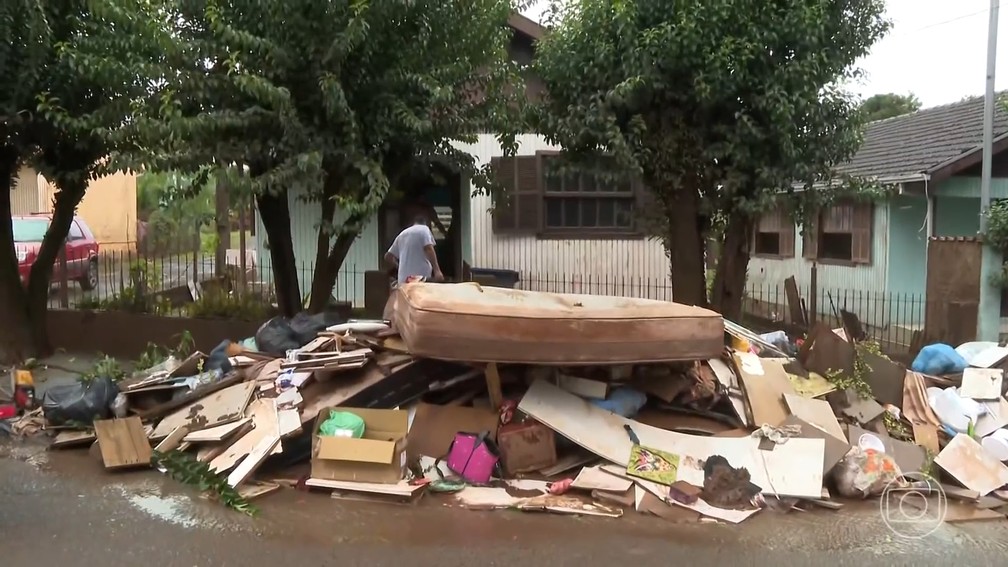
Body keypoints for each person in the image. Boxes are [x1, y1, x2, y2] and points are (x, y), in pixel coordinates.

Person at [384, 214, 444, 285]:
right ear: (426, 223)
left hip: (403, 279)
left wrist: (399, 266)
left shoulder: (402, 234)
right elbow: (428, 248)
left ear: (414, 223)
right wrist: (437, 271)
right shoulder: (424, 229)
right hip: (419, 278)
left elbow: (388, 257)